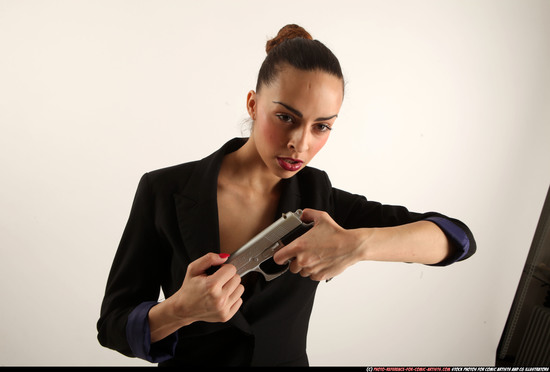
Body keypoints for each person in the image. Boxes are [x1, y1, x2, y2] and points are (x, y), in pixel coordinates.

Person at [97, 24, 476, 366]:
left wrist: (358, 245)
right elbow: (113, 326)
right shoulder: (164, 191)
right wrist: (178, 310)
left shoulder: (320, 199)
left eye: (322, 127)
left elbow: (456, 238)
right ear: (253, 104)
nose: (300, 143)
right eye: (285, 118)